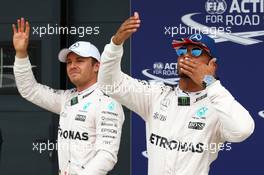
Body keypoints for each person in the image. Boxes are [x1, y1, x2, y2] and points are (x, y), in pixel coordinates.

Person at [98, 12, 255, 175]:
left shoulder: (218, 105)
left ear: (212, 65)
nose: (186, 56)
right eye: (182, 52)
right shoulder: (156, 95)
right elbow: (109, 83)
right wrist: (115, 45)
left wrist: (210, 83)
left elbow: (242, 130)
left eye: (195, 52)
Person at [12, 18, 124, 175]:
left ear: (97, 66)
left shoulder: (108, 101)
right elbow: (29, 90)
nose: (73, 66)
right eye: (69, 62)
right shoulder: (67, 98)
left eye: (80, 60)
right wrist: (21, 53)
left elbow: (107, 155)